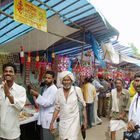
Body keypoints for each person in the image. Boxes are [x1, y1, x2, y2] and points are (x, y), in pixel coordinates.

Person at [49, 71, 87, 140]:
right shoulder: (58, 92)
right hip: (63, 121)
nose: (66, 82)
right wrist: (52, 122)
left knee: (73, 138)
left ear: (71, 81)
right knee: (63, 138)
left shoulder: (77, 90)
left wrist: (85, 121)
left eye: (68, 80)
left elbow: (83, 106)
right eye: (64, 80)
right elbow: (57, 108)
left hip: (74, 121)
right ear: (62, 81)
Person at [0, 62, 26, 140]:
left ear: (15, 74)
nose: (8, 73)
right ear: (3, 73)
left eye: (10, 71)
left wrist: (8, 94)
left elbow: (20, 107)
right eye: (6, 71)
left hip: (12, 133)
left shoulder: (21, 90)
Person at [30, 70, 57, 140]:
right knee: (43, 137)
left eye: (49, 78)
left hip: (49, 119)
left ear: (53, 79)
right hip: (44, 117)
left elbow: (47, 103)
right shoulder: (46, 88)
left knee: (47, 138)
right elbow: (41, 102)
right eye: (46, 77)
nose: (46, 79)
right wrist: (35, 96)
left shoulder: (54, 89)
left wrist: (37, 94)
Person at [127, 72, 140, 137]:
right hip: (135, 132)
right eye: (135, 81)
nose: (136, 84)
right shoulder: (136, 96)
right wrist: (130, 121)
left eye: (138, 81)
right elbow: (133, 113)